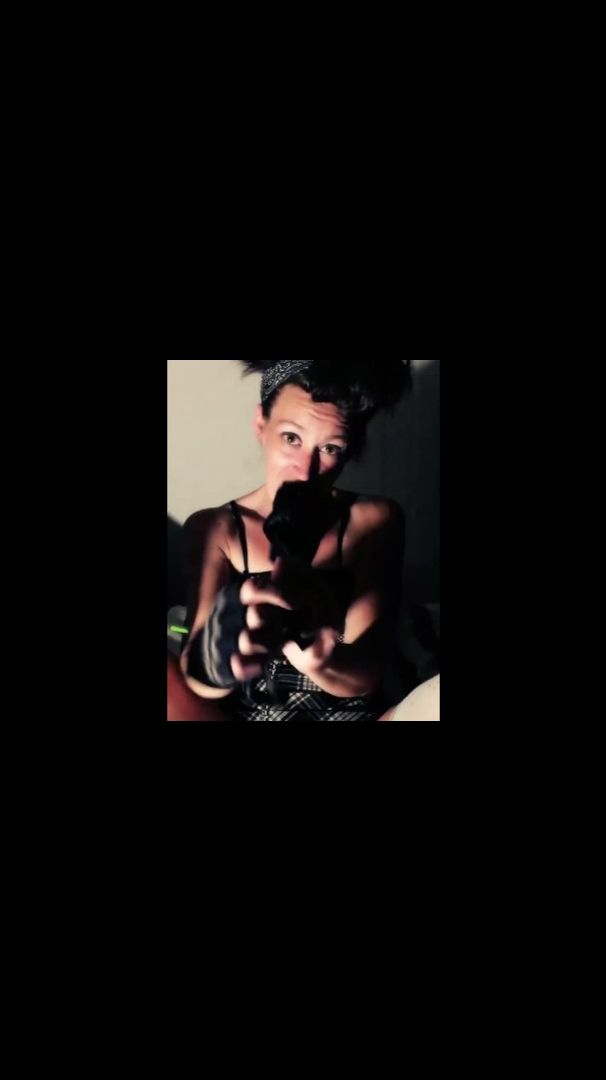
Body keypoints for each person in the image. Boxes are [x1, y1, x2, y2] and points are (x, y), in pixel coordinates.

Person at [173, 357, 411, 721]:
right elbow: (197, 678)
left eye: (330, 448)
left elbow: (365, 675)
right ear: (261, 424)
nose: (305, 471)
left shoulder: (374, 520)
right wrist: (218, 656)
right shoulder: (216, 528)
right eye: (291, 438)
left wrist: (319, 655)